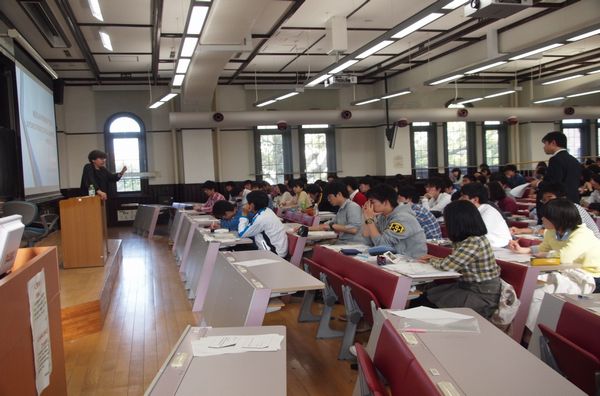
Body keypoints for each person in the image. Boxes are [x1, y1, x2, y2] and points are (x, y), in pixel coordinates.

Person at [415, 200, 502, 319]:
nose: (445, 223)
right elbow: (454, 261)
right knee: (425, 297)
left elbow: (447, 266)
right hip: (469, 287)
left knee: (425, 303)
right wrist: (435, 259)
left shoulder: (473, 242)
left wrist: (432, 260)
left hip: (482, 295)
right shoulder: (469, 239)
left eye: (447, 220)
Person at [508, 198, 599, 294]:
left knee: (540, 292)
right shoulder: (551, 231)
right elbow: (543, 248)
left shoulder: (581, 233)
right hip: (568, 271)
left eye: (546, 217)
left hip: (590, 275)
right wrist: (523, 250)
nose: (542, 219)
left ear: (557, 219)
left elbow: (564, 258)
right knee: (528, 285)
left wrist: (545, 255)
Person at [510, 182, 600, 239]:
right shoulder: (554, 210)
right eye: (544, 200)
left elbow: (564, 234)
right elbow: (543, 227)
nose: (547, 202)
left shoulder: (572, 209)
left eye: (550, 198)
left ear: (562, 197)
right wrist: (520, 230)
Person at [362, 184, 427, 258]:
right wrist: (367, 218)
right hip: (395, 258)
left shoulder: (402, 219)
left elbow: (381, 245)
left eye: (372, 202)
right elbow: (368, 241)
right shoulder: (382, 216)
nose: (369, 205)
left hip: (413, 260)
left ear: (385, 202)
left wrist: (369, 220)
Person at [532, 131, 582, 222]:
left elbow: (554, 184)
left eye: (545, 144)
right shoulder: (574, 160)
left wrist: (538, 183)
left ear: (553, 143)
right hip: (573, 202)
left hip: (559, 205)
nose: (544, 147)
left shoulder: (555, 159)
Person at [460, 183, 512, 248]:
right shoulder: (474, 210)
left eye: (463, 197)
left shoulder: (488, 212)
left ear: (475, 199)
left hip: (501, 248)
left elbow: (475, 235)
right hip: (486, 246)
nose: (460, 199)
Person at [238, 191, 288, 257]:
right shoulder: (267, 210)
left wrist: (244, 214)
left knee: (240, 252)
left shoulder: (261, 218)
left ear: (252, 205)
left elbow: (242, 233)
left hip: (274, 254)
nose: (246, 204)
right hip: (277, 249)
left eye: (248, 203)